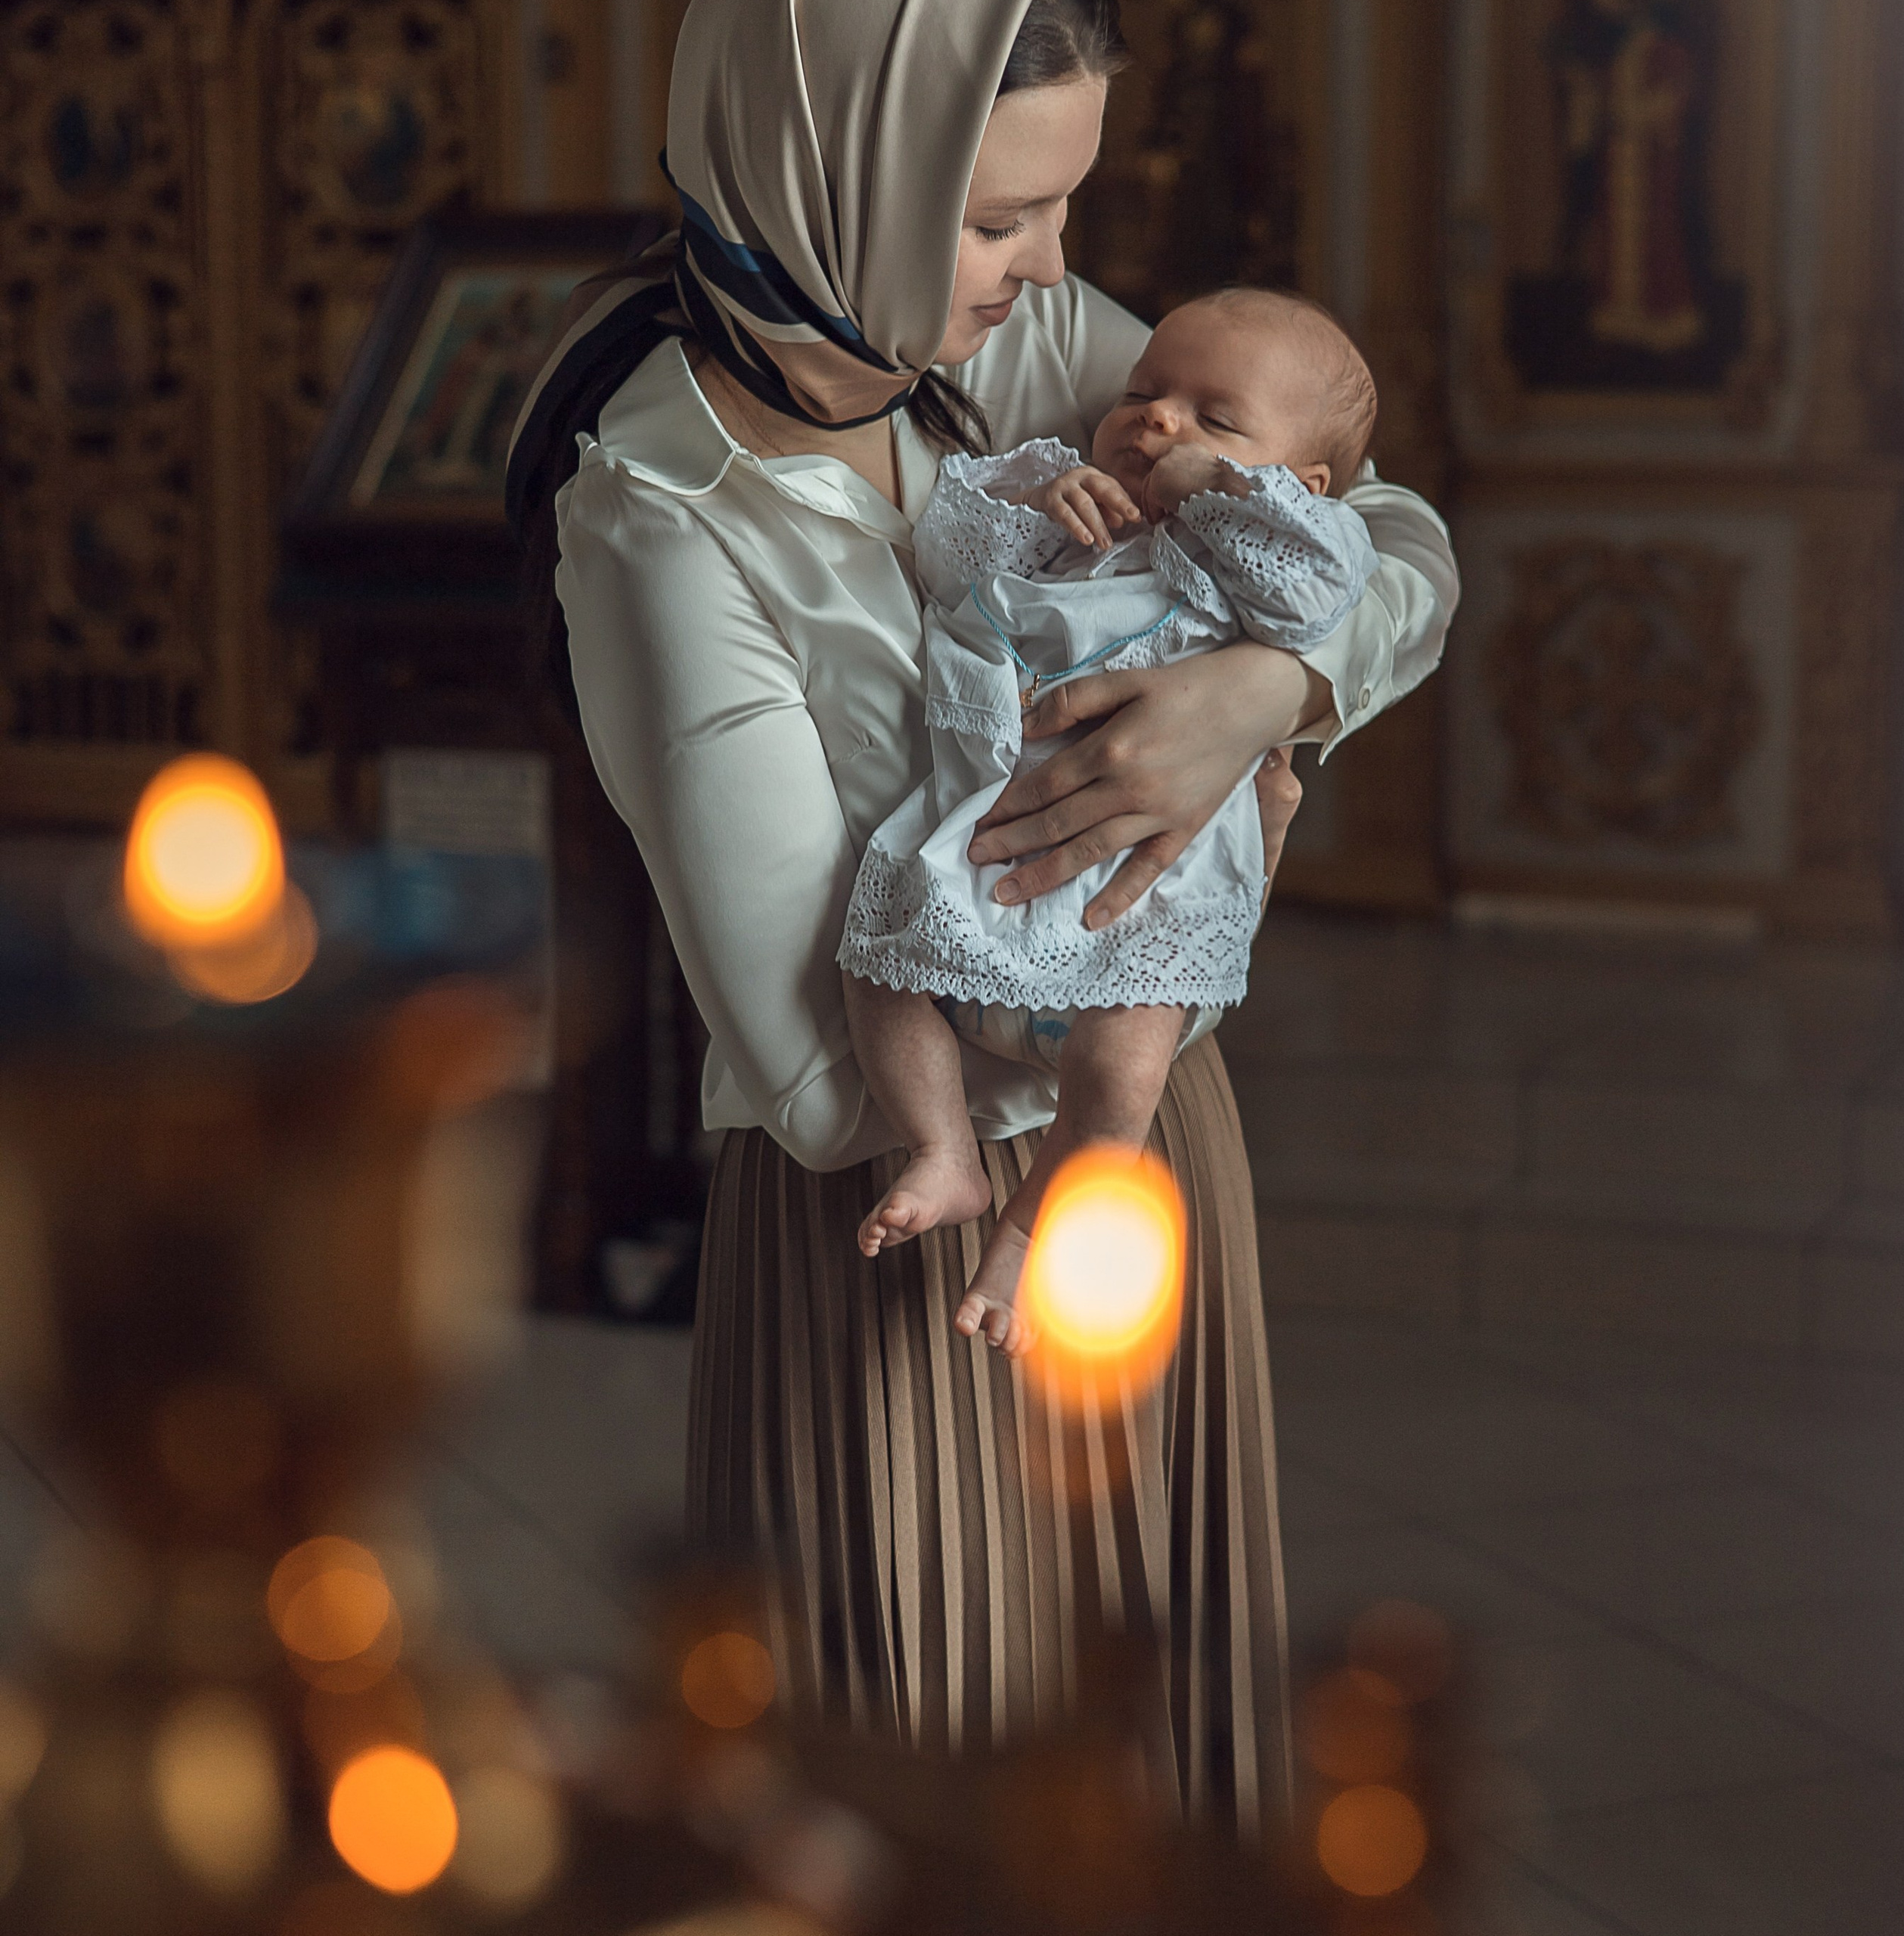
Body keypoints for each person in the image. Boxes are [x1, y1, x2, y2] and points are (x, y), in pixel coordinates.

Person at [507, 0, 1459, 1839]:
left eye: (1062, 209)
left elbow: (1388, 535)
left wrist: (1263, 694)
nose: (1046, 271)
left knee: (1151, 1771)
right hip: (903, 1233)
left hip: (1139, 1148)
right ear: (829, 179)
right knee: (925, 1788)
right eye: (996, 218)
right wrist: (1160, 918)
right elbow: (810, 1066)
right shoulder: (660, 514)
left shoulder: (1016, 345)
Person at [839, 290, 1388, 1350]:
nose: (1159, 421)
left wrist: (1219, 491)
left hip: (1147, 892)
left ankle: (1029, 1232)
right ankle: (942, 1149)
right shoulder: (1074, 524)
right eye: (1143, 394)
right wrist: (1036, 498)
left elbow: (1322, 593)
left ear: (1303, 486)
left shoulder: (1274, 556)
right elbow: (947, 561)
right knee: (877, 962)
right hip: (987, 838)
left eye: (1214, 419)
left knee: (1124, 1078)